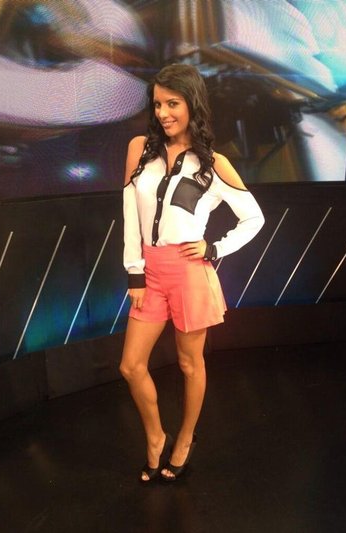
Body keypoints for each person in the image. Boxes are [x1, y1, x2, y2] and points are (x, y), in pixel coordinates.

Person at [119, 63, 265, 483]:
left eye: (173, 103)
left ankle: (184, 439)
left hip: (188, 273)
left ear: (192, 104)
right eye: (157, 104)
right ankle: (155, 437)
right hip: (149, 273)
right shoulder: (139, 149)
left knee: (189, 364)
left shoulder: (213, 163)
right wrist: (134, 273)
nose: (163, 113)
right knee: (131, 366)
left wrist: (214, 248)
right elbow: (129, 214)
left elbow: (253, 218)